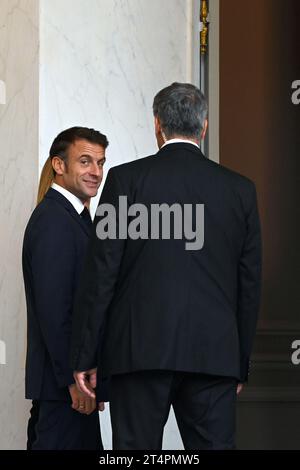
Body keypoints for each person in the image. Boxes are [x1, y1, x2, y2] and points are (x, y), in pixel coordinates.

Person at [71, 83, 262, 450]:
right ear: (203, 127)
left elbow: (101, 274)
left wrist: (86, 354)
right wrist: (238, 361)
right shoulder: (241, 191)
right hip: (214, 355)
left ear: (157, 125)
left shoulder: (125, 182)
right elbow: (249, 284)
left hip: (138, 352)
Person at [23, 126, 108, 450]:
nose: (96, 172)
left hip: (72, 385)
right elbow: (55, 312)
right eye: (85, 161)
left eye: (100, 163)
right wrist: (74, 382)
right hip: (65, 389)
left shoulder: (75, 218)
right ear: (59, 165)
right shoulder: (54, 222)